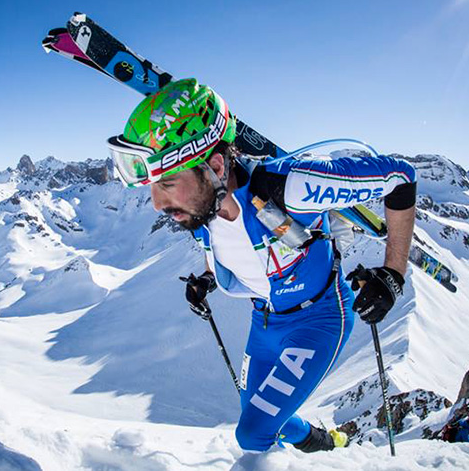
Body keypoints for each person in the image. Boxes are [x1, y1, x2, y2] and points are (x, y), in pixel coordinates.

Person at [106, 78, 417, 453]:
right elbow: (228, 252)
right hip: (264, 322)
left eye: (168, 182)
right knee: (259, 414)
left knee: (252, 433)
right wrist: (207, 281)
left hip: (318, 321)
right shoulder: (200, 207)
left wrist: (393, 273)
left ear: (216, 165)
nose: (156, 202)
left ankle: (317, 451)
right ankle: (325, 442)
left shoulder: (292, 188)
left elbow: (400, 178)